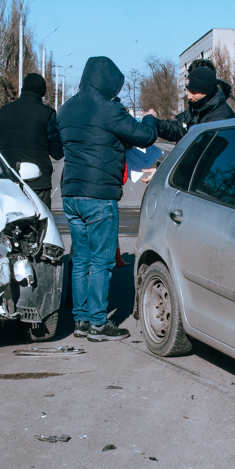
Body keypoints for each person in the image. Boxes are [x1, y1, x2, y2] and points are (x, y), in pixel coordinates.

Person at [57, 56, 159, 342]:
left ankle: (81, 319)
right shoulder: (110, 109)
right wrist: (150, 117)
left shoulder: (66, 108)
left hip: (71, 193)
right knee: (102, 260)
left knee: (81, 259)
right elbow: (144, 136)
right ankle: (99, 323)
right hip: (100, 194)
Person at [0, 73, 63, 209]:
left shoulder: (4, 111)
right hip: (38, 181)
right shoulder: (46, 113)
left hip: (10, 178)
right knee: (40, 216)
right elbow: (57, 152)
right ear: (42, 92)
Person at [147, 64, 235, 143]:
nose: (189, 96)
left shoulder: (221, 119)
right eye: (188, 91)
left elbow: (202, 149)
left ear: (207, 92)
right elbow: (178, 129)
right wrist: (154, 123)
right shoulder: (197, 107)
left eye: (194, 92)